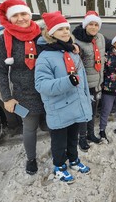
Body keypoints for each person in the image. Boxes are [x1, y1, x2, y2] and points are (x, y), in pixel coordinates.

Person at [35, 11, 91, 183]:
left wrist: (86, 98)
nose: (66, 32)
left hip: (75, 105)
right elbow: (41, 85)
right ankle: (59, 166)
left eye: (67, 28)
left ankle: (73, 160)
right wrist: (68, 81)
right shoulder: (45, 57)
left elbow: (83, 81)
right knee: (59, 142)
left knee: (73, 137)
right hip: (59, 109)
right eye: (60, 29)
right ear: (50, 33)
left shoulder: (72, 52)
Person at [0, 0, 46, 175]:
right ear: (9, 18)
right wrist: (7, 97)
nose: (21, 18)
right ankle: (31, 159)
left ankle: (58, 152)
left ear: (29, 15)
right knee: (29, 129)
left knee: (51, 126)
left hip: (48, 92)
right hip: (24, 95)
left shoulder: (43, 35)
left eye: (23, 14)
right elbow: (0, 71)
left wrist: (73, 46)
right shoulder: (4, 39)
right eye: (15, 15)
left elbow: (62, 45)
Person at [72, 11, 112, 151]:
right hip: (83, 84)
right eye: (91, 24)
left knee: (92, 111)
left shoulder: (100, 37)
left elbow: (113, 45)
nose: (94, 27)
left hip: (97, 82)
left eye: (96, 24)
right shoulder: (77, 40)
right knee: (84, 112)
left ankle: (91, 134)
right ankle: (82, 138)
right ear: (85, 25)